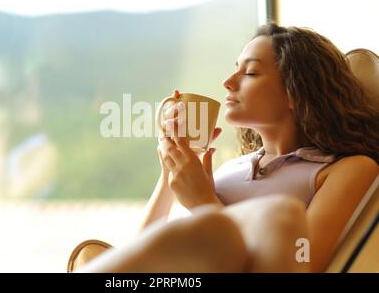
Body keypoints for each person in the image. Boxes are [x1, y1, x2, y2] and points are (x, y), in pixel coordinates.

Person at [78, 22, 379, 273]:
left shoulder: (347, 169)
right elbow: (144, 259)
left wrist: (203, 202)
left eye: (249, 72)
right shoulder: (230, 169)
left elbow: (302, 261)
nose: (227, 82)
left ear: (294, 92)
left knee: (280, 217)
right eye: (235, 69)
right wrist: (171, 173)